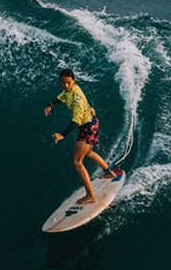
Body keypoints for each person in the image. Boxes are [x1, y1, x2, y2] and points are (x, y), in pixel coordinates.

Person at [44, 68, 118, 204]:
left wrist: (62, 135)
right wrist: (50, 105)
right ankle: (109, 172)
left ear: (74, 81)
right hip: (91, 123)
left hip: (88, 126)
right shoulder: (68, 91)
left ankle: (91, 196)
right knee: (88, 152)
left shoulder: (77, 98)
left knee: (77, 162)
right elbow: (61, 97)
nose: (65, 86)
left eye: (68, 83)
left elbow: (75, 122)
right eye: (63, 83)